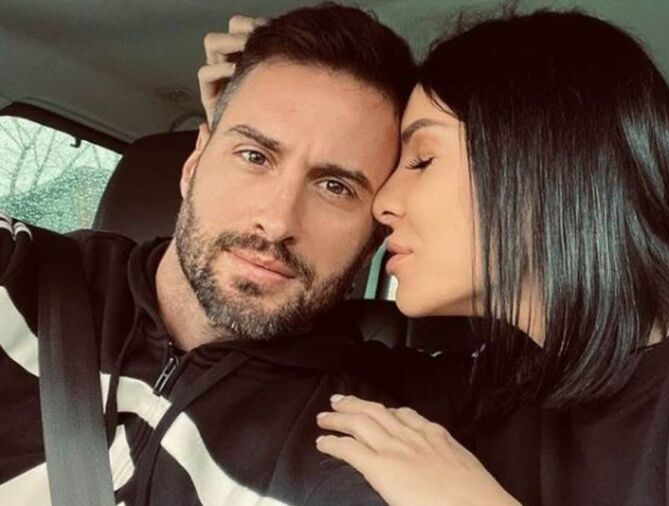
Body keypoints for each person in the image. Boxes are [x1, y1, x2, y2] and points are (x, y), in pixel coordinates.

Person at [0, 4, 468, 505]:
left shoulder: (374, 434)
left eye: (335, 186)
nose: (278, 221)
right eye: (254, 156)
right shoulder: (21, 273)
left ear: (374, 235)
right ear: (194, 163)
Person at [302, 9, 669, 506]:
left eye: (422, 160)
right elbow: (283, 370)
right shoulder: (503, 394)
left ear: (547, 160)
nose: (383, 203)